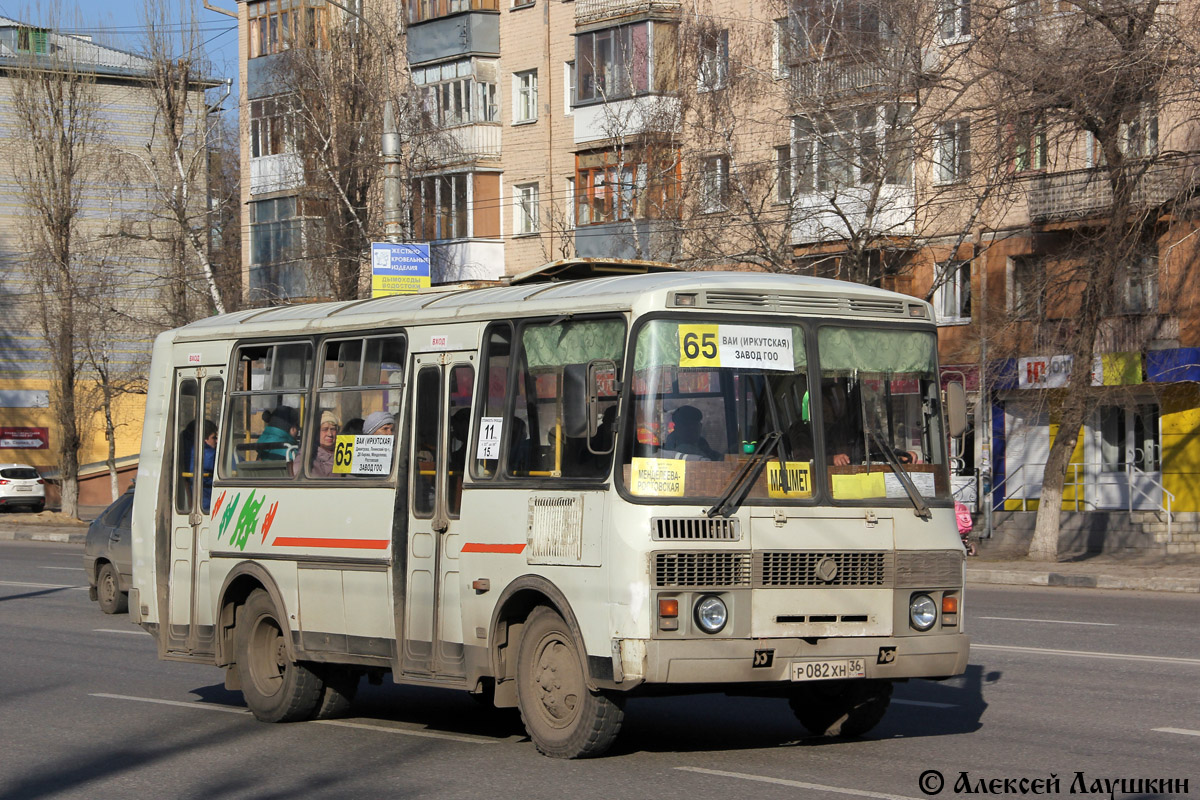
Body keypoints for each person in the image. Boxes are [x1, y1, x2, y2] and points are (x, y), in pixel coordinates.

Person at [294, 410, 340, 477]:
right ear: (316, 432)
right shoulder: (307, 456)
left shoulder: (342, 452)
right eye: (325, 429)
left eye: (333, 429)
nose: (330, 434)